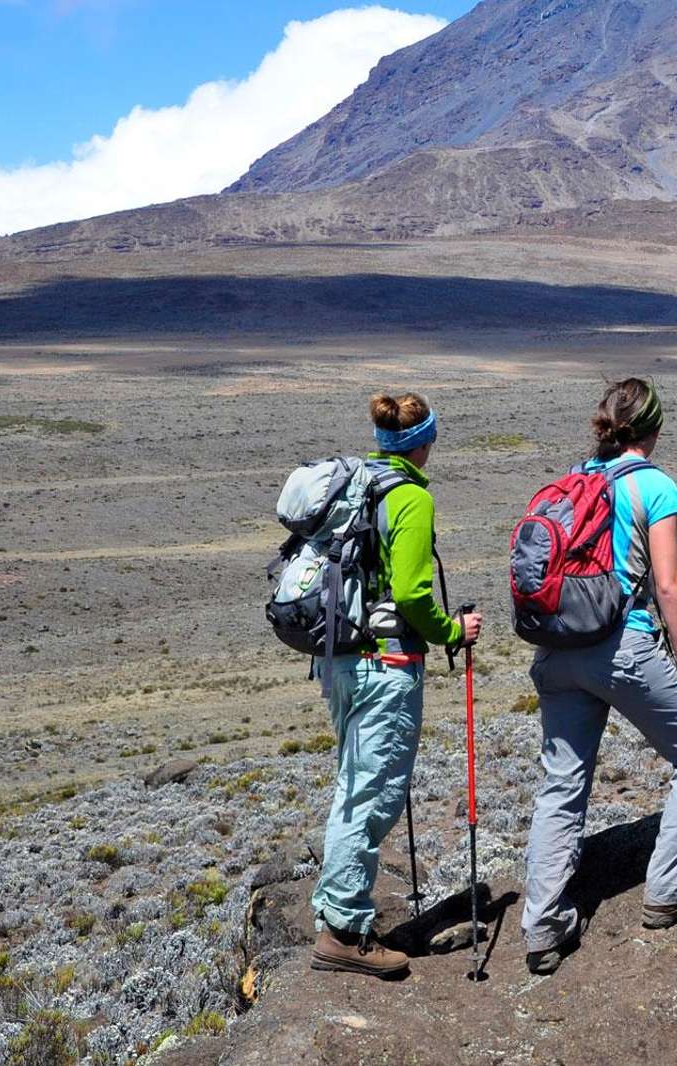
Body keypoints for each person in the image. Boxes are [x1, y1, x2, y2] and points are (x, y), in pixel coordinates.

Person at [521, 377, 677, 975]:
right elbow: (667, 584)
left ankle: (542, 927)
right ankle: (672, 887)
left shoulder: (578, 478)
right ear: (654, 429)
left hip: (558, 652)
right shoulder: (653, 485)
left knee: (561, 785)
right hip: (622, 647)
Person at [310, 392, 484, 977]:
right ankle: (343, 933)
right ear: (424, 442)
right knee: (373, 795)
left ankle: (336, 914)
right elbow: (411, 593)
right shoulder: (409, 498)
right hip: (386, 666)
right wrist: (451, 630)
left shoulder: (357, 486)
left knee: (353, 786)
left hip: (340, 661)